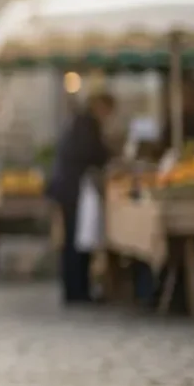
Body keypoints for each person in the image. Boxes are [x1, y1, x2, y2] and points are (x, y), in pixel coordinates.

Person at [47, 92, 117, 305]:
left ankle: (76, 289)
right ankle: (77, 291)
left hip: (69, 188)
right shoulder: (86, 125)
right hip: (72, 189)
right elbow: (94, 154)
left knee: (73, 240)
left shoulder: (80, 122)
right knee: (75, 240)